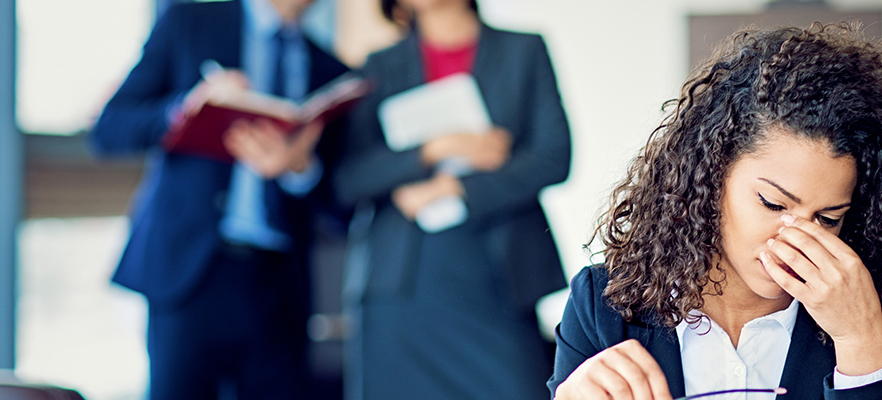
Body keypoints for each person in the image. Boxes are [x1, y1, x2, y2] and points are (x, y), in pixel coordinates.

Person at [548, 22, 882, 400]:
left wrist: (860, 343)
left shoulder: (875, 309)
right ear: (710, 178)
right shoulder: (606, 303)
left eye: (827, 218)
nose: (795, 239)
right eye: (773, 203)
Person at [89, 0, 350, 398]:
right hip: (190, 273)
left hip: (278, 283)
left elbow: (342, 205)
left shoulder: (330, 70)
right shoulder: (190, 22)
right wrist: (184, 109)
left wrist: (300, 168)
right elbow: (110, 129)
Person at [333, 0, 571, 399]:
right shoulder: (378, 66)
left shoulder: (523, 50)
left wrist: (456, 188)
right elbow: (349, 178)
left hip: (498, 272)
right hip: (404, 282)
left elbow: (554, 157)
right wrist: (433, 150)